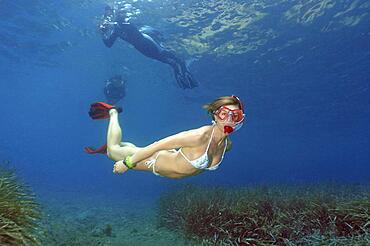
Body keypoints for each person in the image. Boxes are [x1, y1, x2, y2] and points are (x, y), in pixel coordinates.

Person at [84, 96, 245, 179]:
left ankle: (127, 148)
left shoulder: (227, 144)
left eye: (235, 115)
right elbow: (157, 145)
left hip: (169, 159)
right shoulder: (198, 136)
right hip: (156, 161)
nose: (229, 120)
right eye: (224, 114)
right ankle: (113, 113)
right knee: (113, 151)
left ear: (241, 118)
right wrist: (127, 163)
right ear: (215, 115)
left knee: (128, 149)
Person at [98, 5, 198, 89]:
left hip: (143, 48)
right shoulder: (118, 28)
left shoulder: (118, 28)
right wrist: (103, 33)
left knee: (173, 62)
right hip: (148, 44)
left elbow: (109, 43)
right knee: (175, 60)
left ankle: (185, 82)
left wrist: (105, 31)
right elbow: (109, 43)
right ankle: (187, 81)